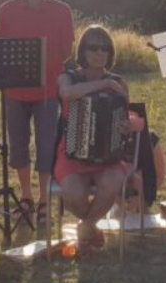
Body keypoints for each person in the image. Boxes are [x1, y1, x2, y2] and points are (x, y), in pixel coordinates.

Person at [0, 0, 75, 223]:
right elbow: (2, 48)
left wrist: (48, 63)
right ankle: (26, 196)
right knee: (17, 146)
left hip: (46, 91)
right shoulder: (6, 10)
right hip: (15, 92)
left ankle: (44, 199)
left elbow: (68, 51)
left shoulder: (61, 10)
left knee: (45, 147)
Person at [54, 26, 138, 252]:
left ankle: (86, 228)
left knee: (111, 183)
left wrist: (129, 125)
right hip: (73, 153)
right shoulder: (68, 77)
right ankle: (92, 230)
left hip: (108, 153)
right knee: (73, 192)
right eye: (93, 47)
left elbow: (129, 116)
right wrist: (103, 84)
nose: (99, 53)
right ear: (83, 51)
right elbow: (67, 95)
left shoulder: (119, 82)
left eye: (105, 48)